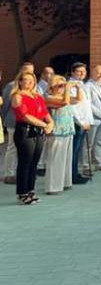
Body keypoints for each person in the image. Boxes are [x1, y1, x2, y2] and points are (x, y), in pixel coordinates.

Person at [11, 71, 54, 205]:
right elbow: (24, 116)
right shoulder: (17, 96)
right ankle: (22, 193)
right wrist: (43, 124)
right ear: (20, 81)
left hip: (39, 131)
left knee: (34, 162)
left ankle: (31, 191)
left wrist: (51, 123)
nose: (29, 83)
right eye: (26, 80)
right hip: (25, 131)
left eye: (31, 80)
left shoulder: (38, 96)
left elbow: (45, 113)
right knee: (25, 163)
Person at [43, 75, 79, 194]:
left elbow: (78, 100)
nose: (63, 88)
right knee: (56, 160)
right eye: (60, 86)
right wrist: (68, 88)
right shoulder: (48, 97)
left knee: (66, 159)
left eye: (64, 85)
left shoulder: (64, 96)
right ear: (52, 86)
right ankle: (53, 187)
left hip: (68, 131)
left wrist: (78, 88)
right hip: (57, 132)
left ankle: (65, 182)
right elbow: (64, 102)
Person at [2, 62, 34, 184]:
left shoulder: (32, 88)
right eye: (26, 70)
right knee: (12, 148)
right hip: (13, 122)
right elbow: (5, 105)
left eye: (31, 71)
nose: (28, 73)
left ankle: (21, 173)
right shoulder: (11, 86)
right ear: (20, 71)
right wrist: (6, 120)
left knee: (25, 149)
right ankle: (9, 174)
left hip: (28, 123)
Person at [69, 62, 93, 184]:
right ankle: (72, 176)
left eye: (84, 71)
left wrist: (88, 121)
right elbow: (73, 108)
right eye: (79, 71)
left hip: (84, 122)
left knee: (77, 151)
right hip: (77, 123)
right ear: (73, 72)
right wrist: (81, 122)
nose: (82, 73)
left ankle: (75, 173)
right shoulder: (71, 86)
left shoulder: (82, 85)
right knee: (74, 151)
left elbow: (86, 106)